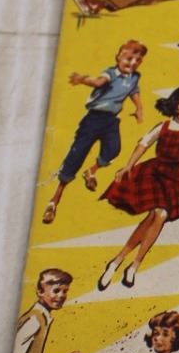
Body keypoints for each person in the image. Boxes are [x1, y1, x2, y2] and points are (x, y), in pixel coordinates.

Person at [98, 85, 179, 289]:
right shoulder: (163, 126)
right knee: (158, 216)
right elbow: (143, 144)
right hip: (155, 173)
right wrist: (128, 166)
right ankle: (122, 262)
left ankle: (128, 264)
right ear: (175, 104)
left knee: (156, 217)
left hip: (176, 177)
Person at [42, 40, 146, 224]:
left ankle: (91, 171)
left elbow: (133, 91)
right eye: (129, 58)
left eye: (137, 60)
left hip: (111, 121)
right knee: (76, 157)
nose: (132, 63)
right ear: (118, 57)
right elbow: (98, 81)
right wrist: (83, 79)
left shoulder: (134, 77)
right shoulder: (110, 73)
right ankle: (54, 200)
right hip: (93, 120)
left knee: (113, 149)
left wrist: (139, 108)